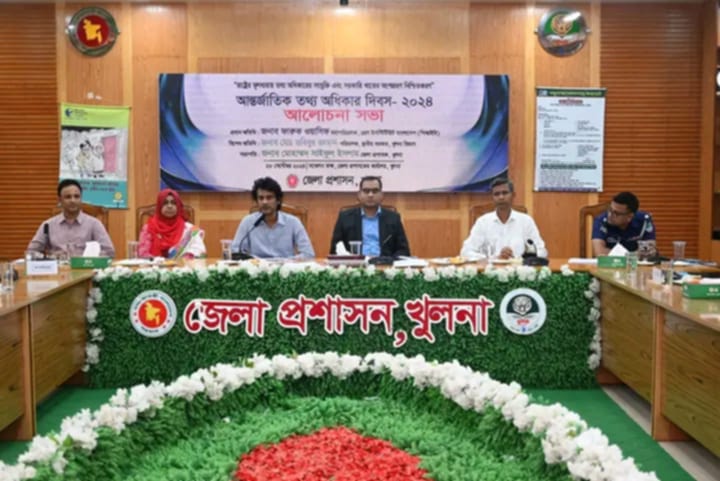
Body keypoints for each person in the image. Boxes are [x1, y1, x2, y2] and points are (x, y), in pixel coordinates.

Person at [460, 178, 547, 259]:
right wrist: (493, 259)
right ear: (492, 197)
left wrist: (520, 259)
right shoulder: (483, 222)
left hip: (518, 268)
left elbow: (542, 251)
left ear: (513, 195)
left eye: (505, 193)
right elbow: (465, 252)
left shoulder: (526, 221)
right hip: (491, 268)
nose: (501, 197)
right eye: (496, 194)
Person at [27, 179, 115, 257]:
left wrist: (88, 258)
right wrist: (49, 258)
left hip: (85, 268)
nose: (73, 201)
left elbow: (109, 252)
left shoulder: (94, 224)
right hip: (57, 268)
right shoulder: (48, 225)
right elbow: (31, 252)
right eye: (68, 197)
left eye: (76, 196)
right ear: (60, 200)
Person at [231, 177, 315, 259]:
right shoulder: (248, 222)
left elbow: (308, 254)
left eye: (269, 197)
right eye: (261, 198)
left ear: (278, 200)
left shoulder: (293, 222)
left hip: (285, 267)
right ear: (257, 201)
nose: (264, 202)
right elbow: (236, 251)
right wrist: (256, 262)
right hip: (257, 267)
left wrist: (284, 262)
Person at [329, 176, 410, 258]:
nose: (370, 195)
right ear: (359, 195)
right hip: (356, 264)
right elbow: (335, 250)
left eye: (375, 191)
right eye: (366, 191)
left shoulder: (393, 218)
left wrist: (388, 261)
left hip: (384, 264)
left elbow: (404, 251)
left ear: (382, 195)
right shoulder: (345, 218)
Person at [137, 189, 206, 259]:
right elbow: (143, 254)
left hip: (182, 265)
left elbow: (198, 252)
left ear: (178, 206)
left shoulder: (189, 229)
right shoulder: (149, 228)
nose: (169, 206)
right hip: (155, 265)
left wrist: (182, 261)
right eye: (165, 203)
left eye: (173, 203)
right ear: (159, 206)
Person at [592, 191, 656, 257]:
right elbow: (599, 253)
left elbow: (649, 251)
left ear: (629, 217)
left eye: (616, 213)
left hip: (636, 263)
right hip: (611, 263)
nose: (610, 215)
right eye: (610, 209)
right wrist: (633, 255)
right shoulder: (601, 220)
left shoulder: (643, 220)